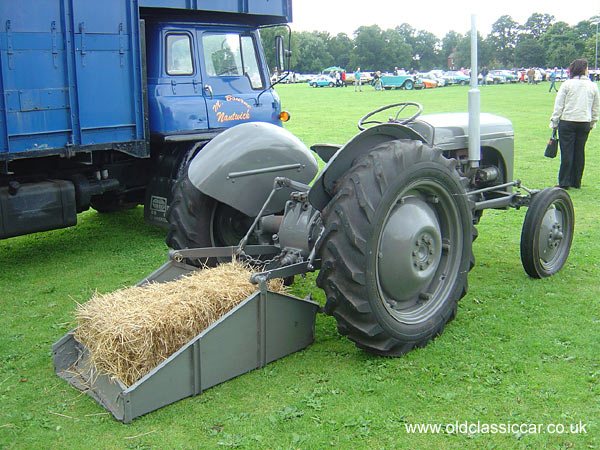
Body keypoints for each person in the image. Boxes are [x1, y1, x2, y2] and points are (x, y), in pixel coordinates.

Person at [550, 58, 599, 189]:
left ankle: (564, 182)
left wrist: (554, 121)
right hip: (584, 122)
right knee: (579, 152)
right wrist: (593, 121)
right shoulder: (593, 86)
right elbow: (595, 107)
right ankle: (576, 182)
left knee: (567, 152)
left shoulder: (567, 84)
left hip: (567, 121)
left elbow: (559, 105)